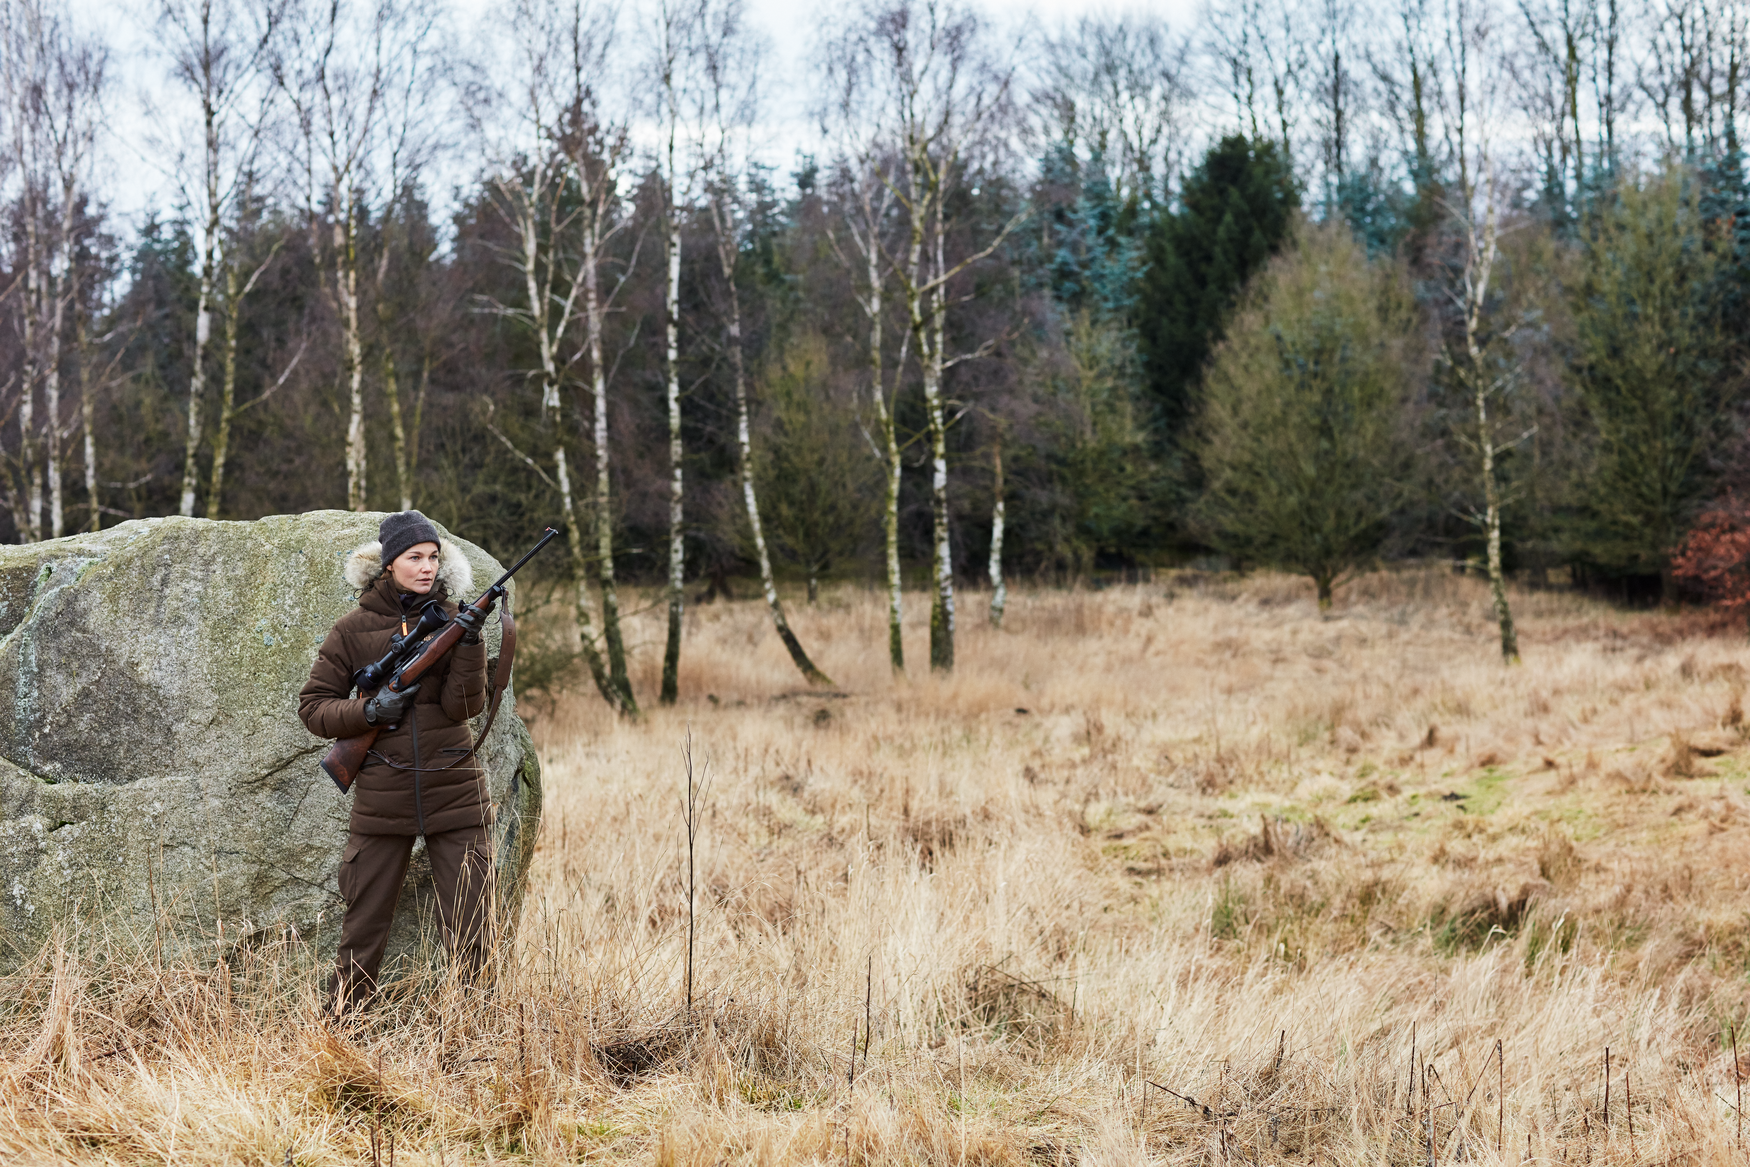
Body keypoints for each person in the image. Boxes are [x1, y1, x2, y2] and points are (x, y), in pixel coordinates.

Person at [299, 510, 493, 1015]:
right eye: (414, 557)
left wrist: (469, 641)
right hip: (383, 797)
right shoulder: (352, 629)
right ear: (388, 565)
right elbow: (314, 707)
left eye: (433, 557)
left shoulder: (456, 620)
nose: (426, 567)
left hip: (456, 792)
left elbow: (464, 707)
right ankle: (343, 1034)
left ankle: (473, 1039)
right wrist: (368, 710)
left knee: (473, 928)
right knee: (362, 929)